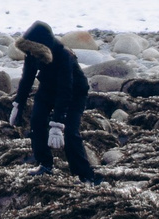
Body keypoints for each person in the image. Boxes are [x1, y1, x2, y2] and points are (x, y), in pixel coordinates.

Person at [10, 20, 100, 181]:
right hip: (47, 88)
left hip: (75, 93)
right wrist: (18, 104)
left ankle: (85, 176)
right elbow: (27, 79)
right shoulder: (31, 53)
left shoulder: (64, 55)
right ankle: (45, 164)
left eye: (33, 49)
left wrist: (57, 124)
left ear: (42, 46)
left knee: (71, 132)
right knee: (37, 122)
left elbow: (66, 89)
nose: (30, 53)